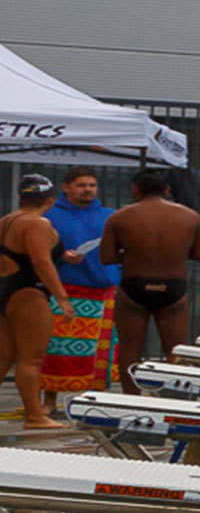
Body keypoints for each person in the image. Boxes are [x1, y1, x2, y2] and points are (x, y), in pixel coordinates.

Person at [100, 167, 200, 391]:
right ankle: (174, 399)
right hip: (172, 287)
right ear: (167, 190)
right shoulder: (191, 217)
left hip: (134, 286)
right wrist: (171, 253)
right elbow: (198, 254)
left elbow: (106, 257)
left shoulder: (119, 217)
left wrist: (133, 253)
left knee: (130, 350)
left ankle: (131, 399)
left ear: (135, 189)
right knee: (175, 351)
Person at [41, 169, 117, 397]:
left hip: (104, 293)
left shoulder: (110, 216)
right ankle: (49, 400)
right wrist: (61, 256)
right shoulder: (49, 217)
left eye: (92, 185)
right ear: (66, 187)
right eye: (81, 185)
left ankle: (98, 399)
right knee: (56, 349)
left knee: (102, 352)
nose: (88, 190)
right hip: (64, 291)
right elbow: (37, 254)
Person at [2, 175, 64, 428]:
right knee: (31, 358)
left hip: (6, 289)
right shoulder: (38, 223)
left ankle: (35, 414)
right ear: (50, 200)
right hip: (28, 293)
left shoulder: (6, 220)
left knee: (3, 357)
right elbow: (41, 262)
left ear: (21, 197)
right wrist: (62, 297)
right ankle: (35, 415)